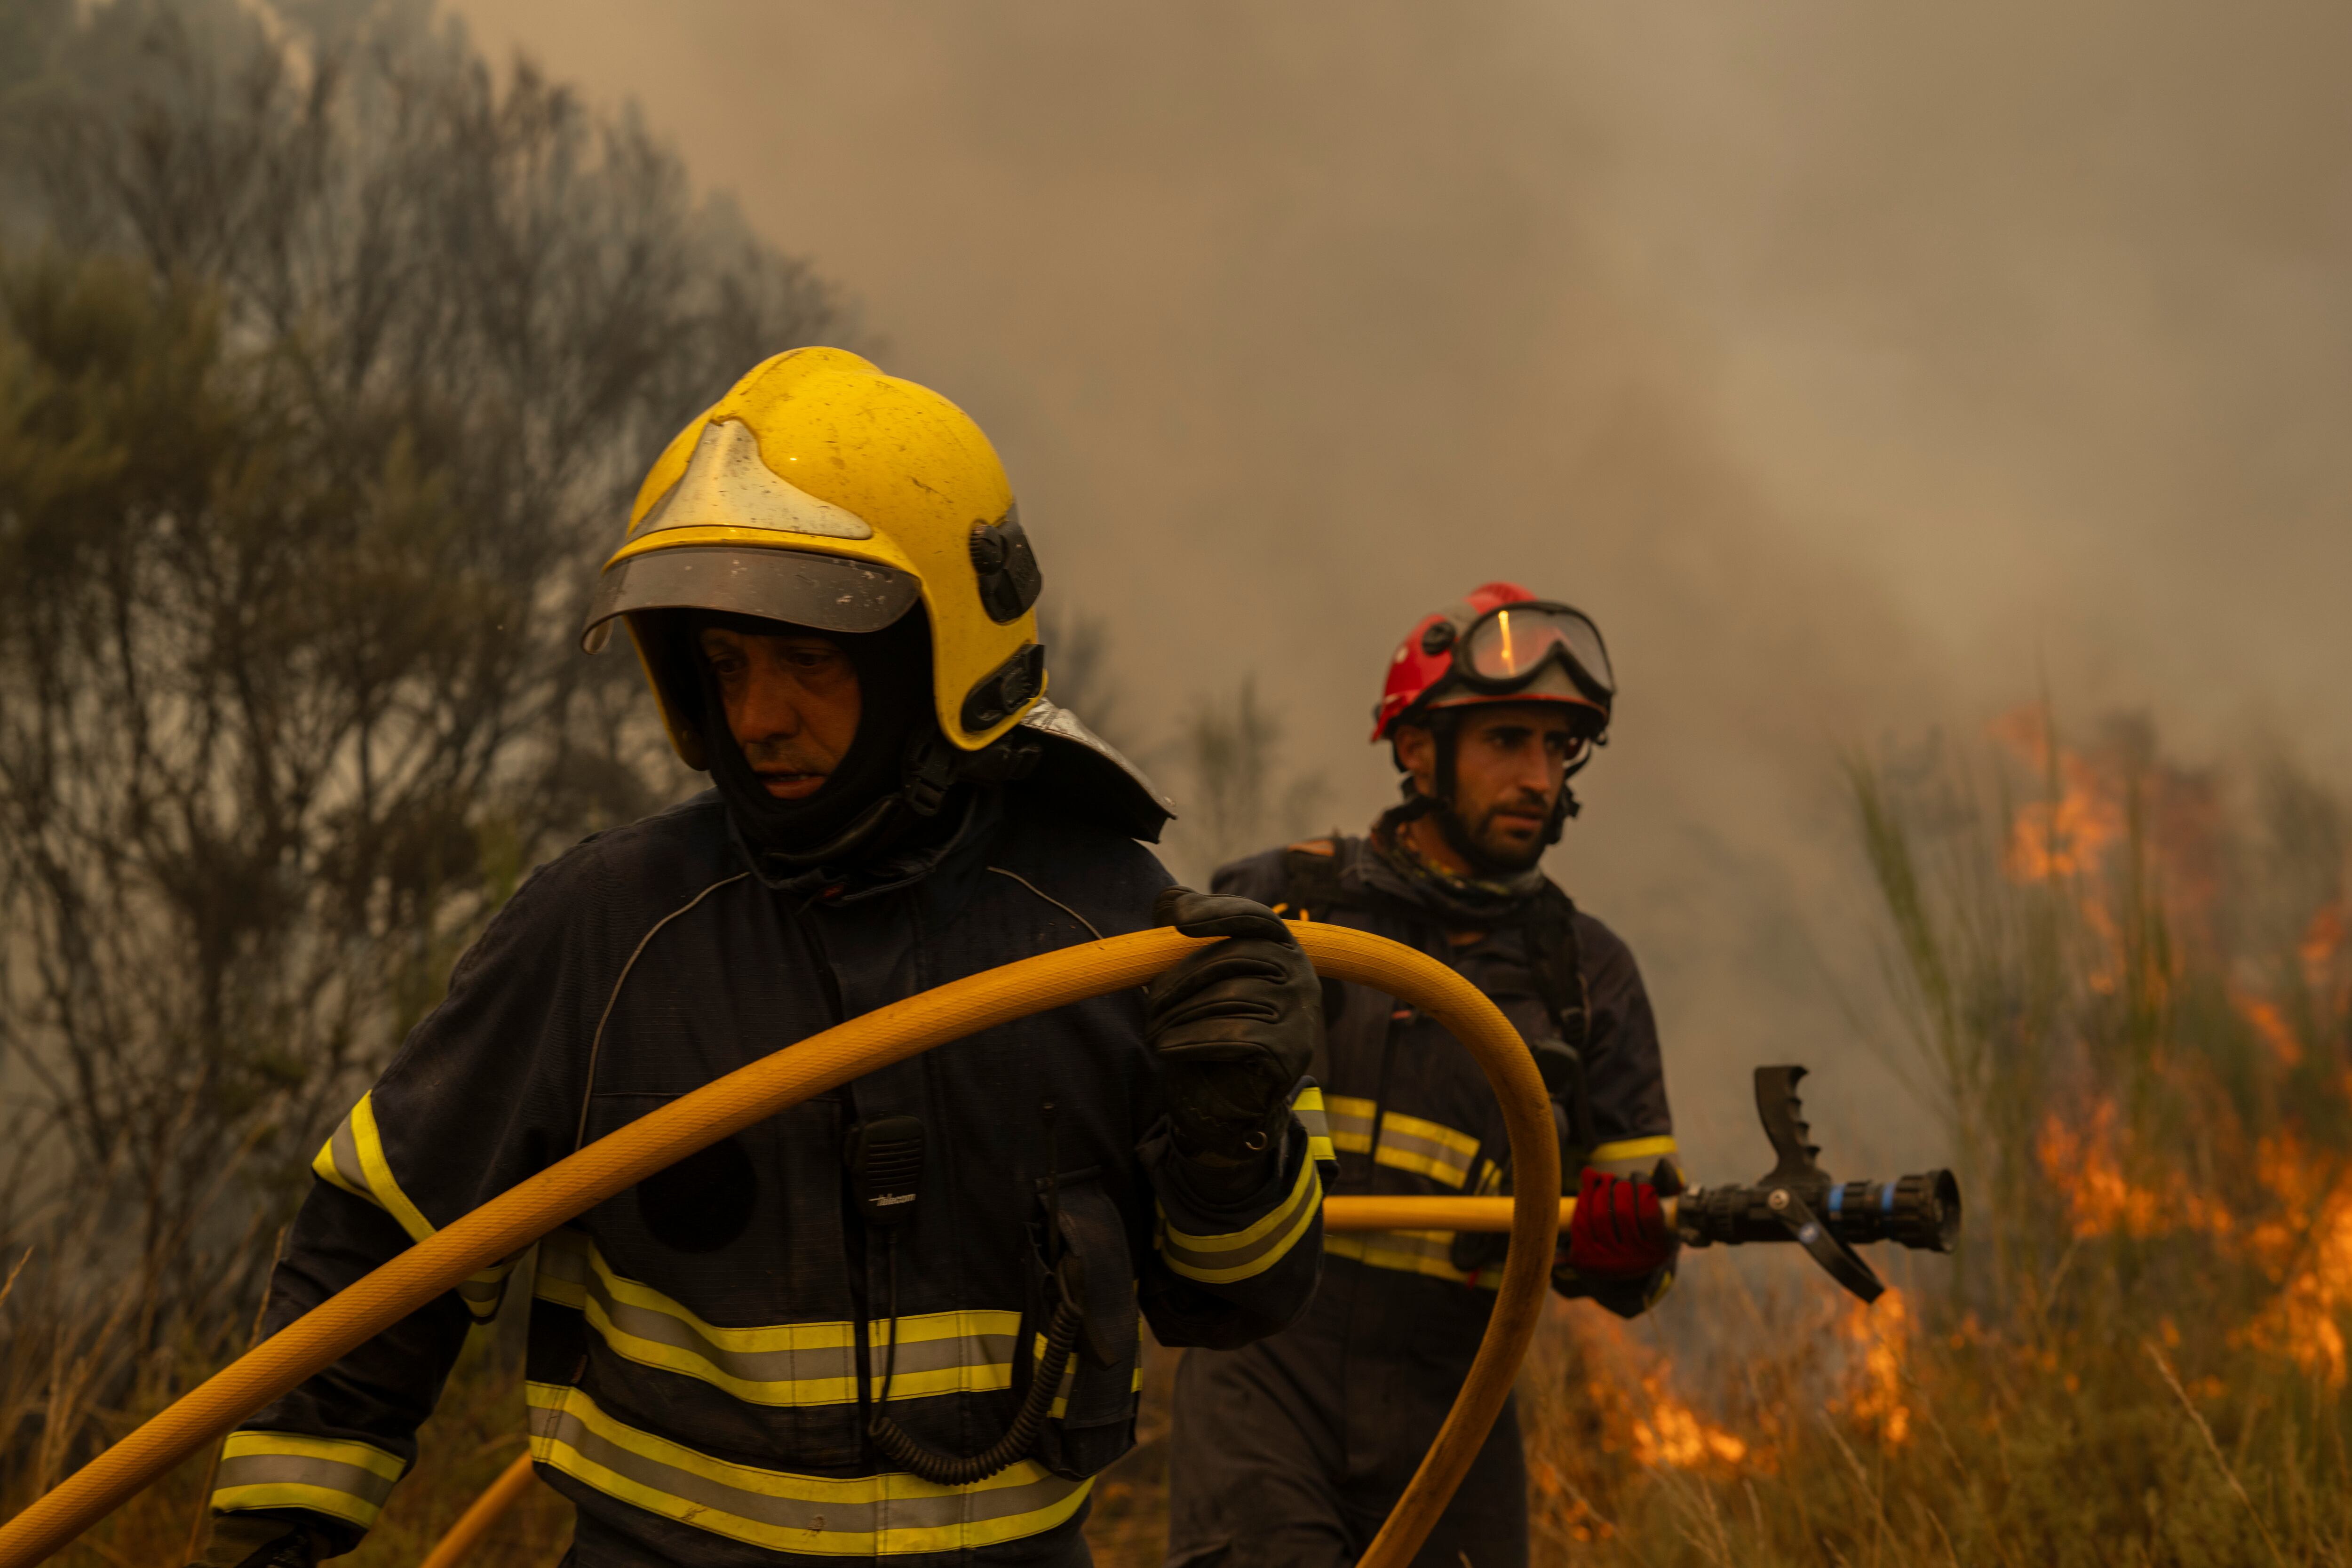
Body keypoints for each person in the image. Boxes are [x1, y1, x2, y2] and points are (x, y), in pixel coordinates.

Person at [193, 349, 1327, 1568]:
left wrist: (1234, 1147)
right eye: (726, 664)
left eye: (810, 659)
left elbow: (1234, 1296)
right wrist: (270, 1540)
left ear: (934, 658)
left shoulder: (1106, 927)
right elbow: (380, 1248)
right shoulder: (608, 928)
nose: (758, 717)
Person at [1163, 582, 1678, 1568]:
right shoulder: (1280, 903)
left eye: (1556, 748)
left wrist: (1625, 1249)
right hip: (1268, 1368)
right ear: (1415, 748)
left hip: (1459, 1393)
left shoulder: (1586, 973)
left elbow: (1647, 1249)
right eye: (1505, 741)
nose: (1537, 775)